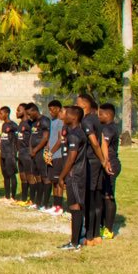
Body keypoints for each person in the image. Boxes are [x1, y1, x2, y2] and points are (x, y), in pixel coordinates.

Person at [76, 94, 110, 244]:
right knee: (97, 197)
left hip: (91, 161)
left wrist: (103, 160)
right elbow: (103, 141)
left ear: (85, 105)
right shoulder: (97, 119)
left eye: (78, 104)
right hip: (97, 161)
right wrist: (105, 160)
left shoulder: (87, 121)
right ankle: (96, 234)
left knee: (90, 198)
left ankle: (89, 236)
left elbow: (95, 143)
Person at [56, 105, 91, 250]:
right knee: (75, 206)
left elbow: (71, 158)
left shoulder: (75, 135)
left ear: (74, 117)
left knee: (75, 206)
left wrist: (61, 177)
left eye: (66, 113)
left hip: (74, 175)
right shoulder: (74, 132)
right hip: (75, 174)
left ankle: (75, 242)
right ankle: (76, 239)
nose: (63, 114)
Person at [98, 103, 122, 238]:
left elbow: (104, 147)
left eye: (100, 114)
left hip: (110, 165)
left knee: (108, 196)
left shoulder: (108, 129)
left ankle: (109, 229)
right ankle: (101, 224)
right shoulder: (106, 127)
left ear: (107, 115)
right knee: (102, 196)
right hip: (106, 164)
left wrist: (106, 163)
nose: (98, 116)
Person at [27, 104, 52, 213]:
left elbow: (45, 137)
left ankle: (45, 204)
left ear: (35, 111)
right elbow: (32, 137)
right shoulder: (33, 123)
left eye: (29, 114)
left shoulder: (45, 120)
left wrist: (36, 150)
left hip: (41, 152)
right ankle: (37, 202)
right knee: (37, 177)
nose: (28, 116)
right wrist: (30, 149)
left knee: (45, 177)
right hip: (33, 153)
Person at [45, 100, 66, 214]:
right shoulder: (52, 122)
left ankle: (60, 206)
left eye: (52, 109)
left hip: (58, 156)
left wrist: (51, 152)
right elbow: (50, 138)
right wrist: (47, 149)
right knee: (53, 181)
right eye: (49, 109)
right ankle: (55, 204)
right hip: (51, 155)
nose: (50, 111)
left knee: (58, 182)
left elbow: (60, 140)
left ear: (58, 109)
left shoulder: (61, 122)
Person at [0, 106, 19, 202]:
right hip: (3, 153)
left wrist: (15, 151)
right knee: (5, 175)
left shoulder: (13, 125)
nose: (0, 115)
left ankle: (13, 197)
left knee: (11, 175)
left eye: (1, 113)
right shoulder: (3, 125)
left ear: (7, 114)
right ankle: (7, 196)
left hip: (10, 153)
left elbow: (17, 138)